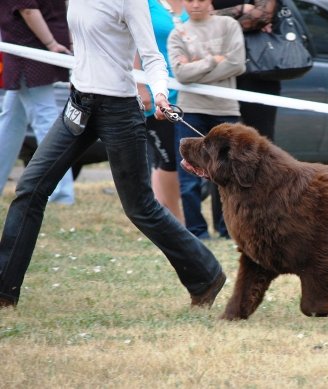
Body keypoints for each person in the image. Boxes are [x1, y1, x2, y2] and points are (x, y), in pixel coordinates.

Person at [0, 0, 226, 309]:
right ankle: (4, 291)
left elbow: (152, 57)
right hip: (79, 103)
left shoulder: (130, 1)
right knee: (30, 188)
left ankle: (206, 275)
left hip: (118, 108)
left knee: (140, 207)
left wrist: (159, 93)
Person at [168, 0, 246, 240]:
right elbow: (180, 73)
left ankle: (228, 229)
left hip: (225, 109)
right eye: (189, 0)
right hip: (191, 109)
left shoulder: (228, 25)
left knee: (229, 172)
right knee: (189, 173)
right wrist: (213, 60)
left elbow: (237, 64)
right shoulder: (177, 33)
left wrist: (196, 70)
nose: (195, 4)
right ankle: (196, 230)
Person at [0, 0, 76, 205]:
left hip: (31, 49)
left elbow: (29, 8)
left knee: (20, 121)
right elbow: (27, 8)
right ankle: (61, 193)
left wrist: (54, 43)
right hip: (30, 50)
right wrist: (52, 43)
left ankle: (61, 193)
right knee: (34, 120)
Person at [135, 0, 189, 224]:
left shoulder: (193, 4)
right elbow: (134, 44)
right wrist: (139, 86)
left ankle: (162, 216)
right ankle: (177, 220)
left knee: (168, 159)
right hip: (157, 92)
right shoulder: (146, 4)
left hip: (188, 92)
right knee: (168, 158)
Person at [213, 0, 279, 140]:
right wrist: (240, 9)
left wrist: (217, 27)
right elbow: (195, 14)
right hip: (214, 70)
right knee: (215, 141)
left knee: (259, 141)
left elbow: (263, 15)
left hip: (257, 71)